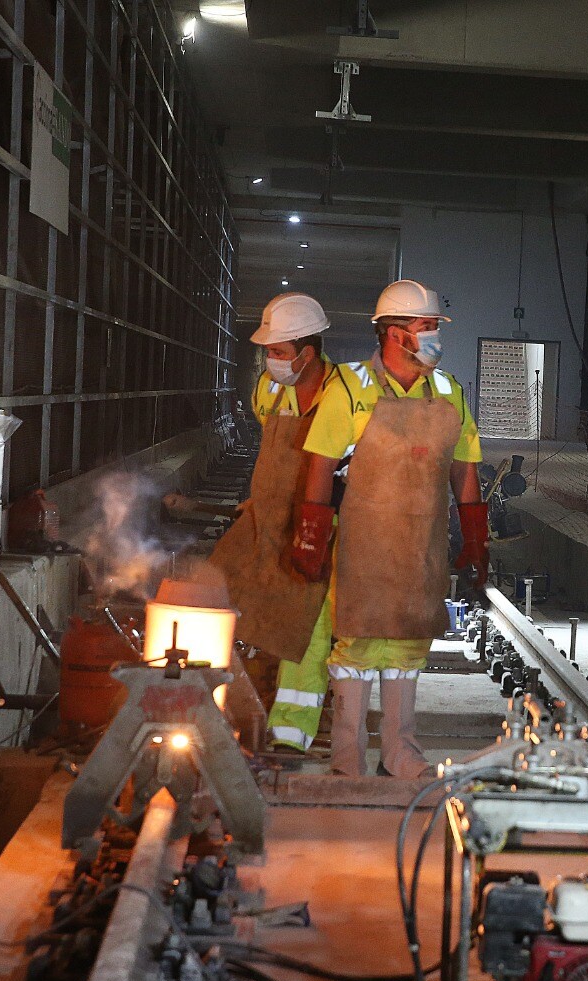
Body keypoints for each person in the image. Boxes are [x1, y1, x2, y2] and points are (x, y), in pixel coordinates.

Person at [288, 279, 489, 776]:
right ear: (396, 335)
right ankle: (347, 758)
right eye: (427, 328)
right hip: (364, 546)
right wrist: (310, 534)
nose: (435, 338)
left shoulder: (449, 392)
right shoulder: (350, 388)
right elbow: (320, 463)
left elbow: (465, 466)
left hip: (420, 548)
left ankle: (400, 752)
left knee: (408, 644)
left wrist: (475, 533)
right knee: (355, 643)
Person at [206, 292, 341, 753]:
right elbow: (272, 453)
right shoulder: (268, 390)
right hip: (267, 516)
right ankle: (218, 707)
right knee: (216, 591)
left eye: (279, 352)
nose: (271, 360)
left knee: (306, 623)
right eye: (268, 351)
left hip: (319, 525)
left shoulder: (343, 395)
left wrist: (320, 530)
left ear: (308, 352)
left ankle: (289, 732)